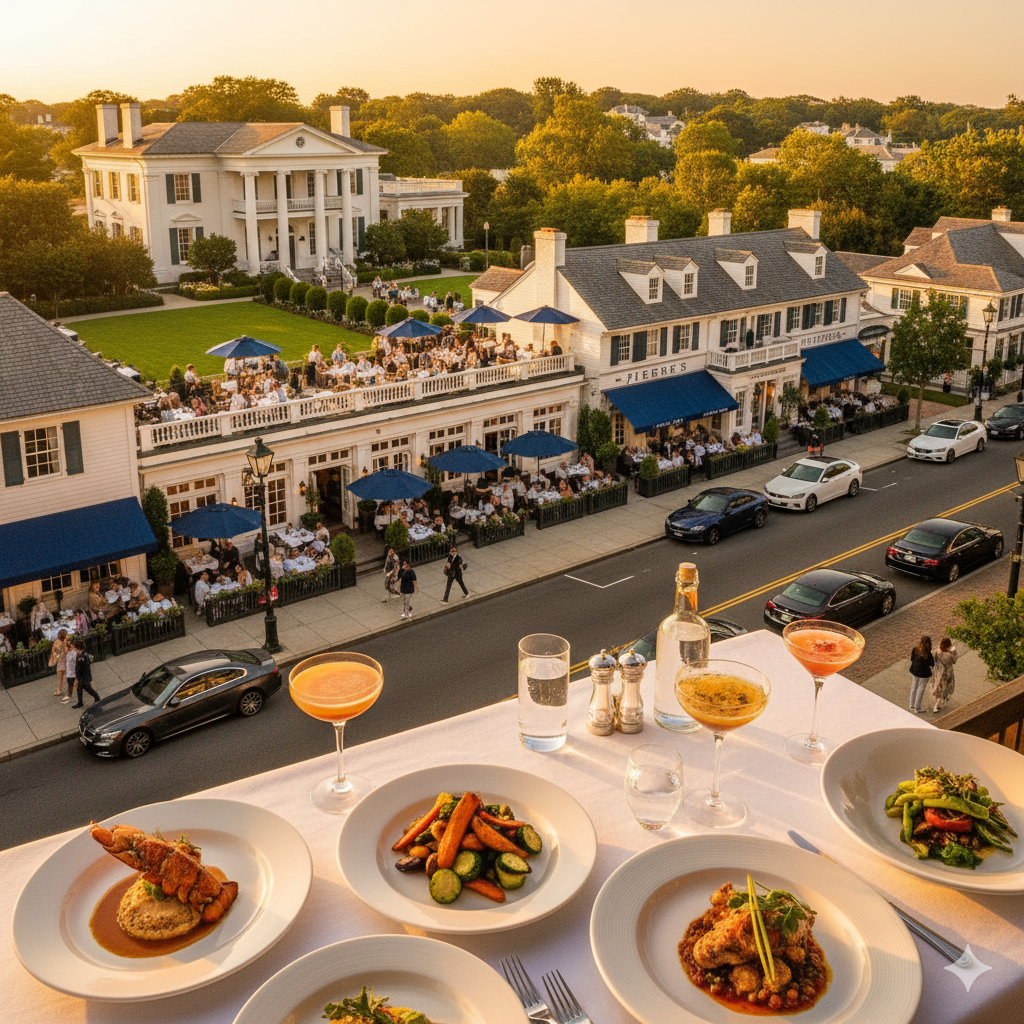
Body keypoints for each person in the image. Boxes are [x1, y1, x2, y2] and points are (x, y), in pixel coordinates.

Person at [930, 638, 959, 712]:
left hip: (939, 672)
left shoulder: (938, 652)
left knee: (938, 688)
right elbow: (954, 660)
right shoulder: (948, 655)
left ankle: (937, 703)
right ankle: (936, 706)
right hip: (947, 673)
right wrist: (954, 651)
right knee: (944, 689)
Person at [70, 640, 100, 708]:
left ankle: (97, 698)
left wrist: (80, 679)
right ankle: (80, 703)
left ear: (78, 649)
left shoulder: (83, 657)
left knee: (89, 690)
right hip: (81, 678)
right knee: (79, 689)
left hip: (84, 678)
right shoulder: (79, 656)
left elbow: (84, 670)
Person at [908, 636, 934, 714]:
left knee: (914, 687)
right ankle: (917, 707)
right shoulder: (928, 653)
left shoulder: (915, 649)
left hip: (915, 670)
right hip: (924, 673)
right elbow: (932, 663)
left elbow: (912, 659)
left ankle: (911, 705)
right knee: (921, 689)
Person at [48, 629, 70, 698]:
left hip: (60, 661)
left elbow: (53, 652)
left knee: (59, 676)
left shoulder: (56, 642)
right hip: (67, 660)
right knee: (68, 676)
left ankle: (59, 690)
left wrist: (54, 659)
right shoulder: (66, 642)